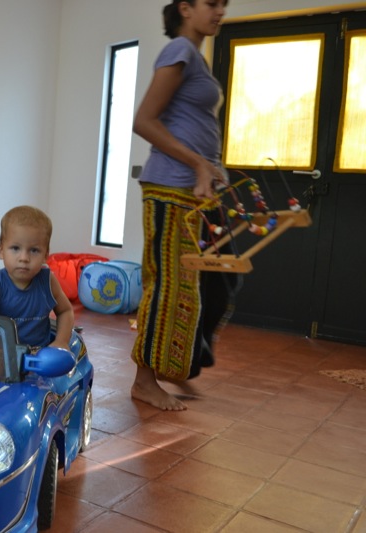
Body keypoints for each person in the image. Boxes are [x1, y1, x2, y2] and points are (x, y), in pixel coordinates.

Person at [130, 0, 234, 411]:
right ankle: (145, 380)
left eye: (224, 4)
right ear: (186, 8)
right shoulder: (179, 51)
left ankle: (179, 363)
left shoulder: (197, 58)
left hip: (195, 192)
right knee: (168, 286)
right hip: (170, 187)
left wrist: (211, 169)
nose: (220, 11)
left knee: (217, 282)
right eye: (212, 3)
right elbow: (144, 121)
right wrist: (198, 164)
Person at [0, 206, 74, 350]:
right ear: (1, 250)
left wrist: (61, 341)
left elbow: (65, 311)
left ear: (45, 255)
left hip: (39, 355)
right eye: (15, 248)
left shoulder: (47, 281)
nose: (24, 258)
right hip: (2, 355)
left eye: (34, 250)